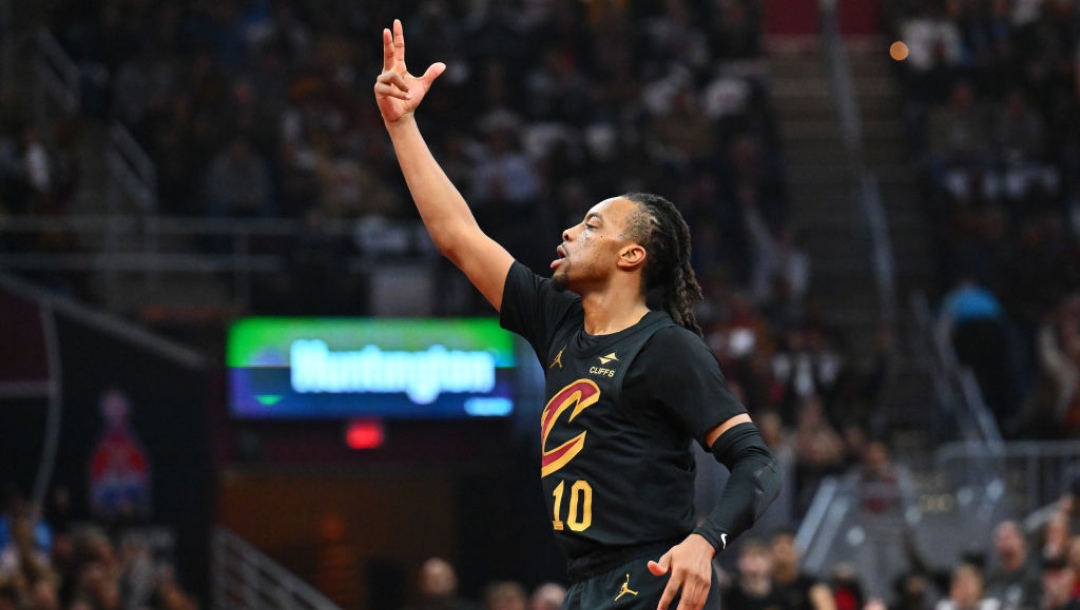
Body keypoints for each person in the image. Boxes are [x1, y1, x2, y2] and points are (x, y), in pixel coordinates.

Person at [374, 19, 782, 610]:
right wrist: (402, 124)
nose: (570, 231)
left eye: (592, 225)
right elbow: (459, 237)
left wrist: (706, 540)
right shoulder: (557, 321)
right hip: (587, 587)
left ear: (633, 255)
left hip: (653, 578)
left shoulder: (666, 347)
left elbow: (756, 461)